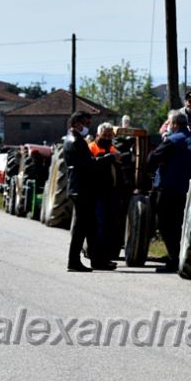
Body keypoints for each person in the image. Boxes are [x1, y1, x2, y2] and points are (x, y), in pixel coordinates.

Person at [63, 112, 117, 272]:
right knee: (81, 227)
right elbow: (89, 164)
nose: (87, 127)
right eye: (85, 123)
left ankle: (97, 260)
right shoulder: (76, 141)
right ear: (76, 123)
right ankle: (73, 261)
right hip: (81, 188)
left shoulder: (72, 139)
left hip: (80, 187)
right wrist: (110, 158)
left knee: (91, 226)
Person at [147, 110, 191, 272]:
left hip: (168, 188)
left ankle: (174, 259)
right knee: (179, 225)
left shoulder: (172, 140)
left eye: (169, 123)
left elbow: (152, 158)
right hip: (187, 189)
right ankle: (179, 257)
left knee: (166, 225)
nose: (168, 126)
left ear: (175, 124)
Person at [89, 123, 123, 262]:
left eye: (110, 135)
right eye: (105, 135)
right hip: (97, 192)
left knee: (110, 225)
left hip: (111, 192)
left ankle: (106, 255)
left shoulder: (113, 149)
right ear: (98, 135)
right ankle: (97, 256)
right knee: (100, 225)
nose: (108, 138)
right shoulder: (91, 148)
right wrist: (108, 158)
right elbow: (90, 166)